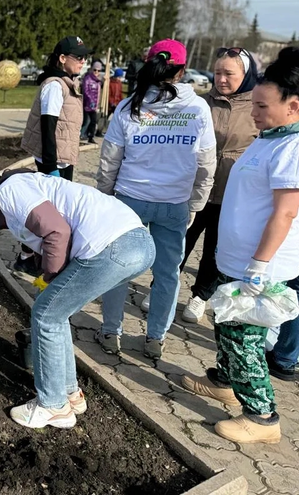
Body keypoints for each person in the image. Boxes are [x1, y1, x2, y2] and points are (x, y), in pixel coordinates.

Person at [0, 169, 154, 429]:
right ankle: (70, 394)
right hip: (137, 244)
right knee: (57, 312)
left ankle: (53, 406)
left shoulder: (8, 190)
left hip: (112, 245)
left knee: (46, 316)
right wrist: (48, 275)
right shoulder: (31, 185)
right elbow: (51, 234)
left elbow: (57, 231)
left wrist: (50, 277)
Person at [182, 47, 299, 444]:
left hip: (259, 268)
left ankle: (262, 417)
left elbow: (285, 212)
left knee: (244, 339)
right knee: (226, 324)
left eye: (262, 106)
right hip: (236, 261)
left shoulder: (292, 148)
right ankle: (224, 382)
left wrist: (258, 267)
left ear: (293, 106)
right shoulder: (270, 138)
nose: (254, 112)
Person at [95, 39, 216, 360]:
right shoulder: (198, 108)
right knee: (168, 273)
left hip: (129, 200)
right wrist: (196, 203)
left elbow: (109, 159)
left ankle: (110, 331)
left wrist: (105, 195)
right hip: (174, 203)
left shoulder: (129, 105)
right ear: (182, 70)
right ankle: (155, 338)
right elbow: (206, 163)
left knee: (118, 268)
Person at [179, 47, 259, 323]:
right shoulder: (201, 103)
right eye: (217, 73)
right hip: (195, 187)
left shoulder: (256, 106)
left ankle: (200, 296)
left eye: (229, 74)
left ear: (246, 75)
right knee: (180, 240)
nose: (221, 79)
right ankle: (163, 285)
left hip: (232, 192)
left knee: (215, 248)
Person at [17, 36, 91, 278]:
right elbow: (48, 126)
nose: (83, 61)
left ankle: (33, 256)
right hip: (53, 161)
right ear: (62, 58)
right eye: (78, 57)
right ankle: (27, 258)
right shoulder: (54, 86)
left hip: (63, 158)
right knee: (48, 214)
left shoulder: (67, 83)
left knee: (53, 213)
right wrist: (50, 168)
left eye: (85, 57)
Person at [81, 61, 102, 143]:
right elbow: (85, 91)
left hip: (94, 104)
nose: (96, 72)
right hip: (87, 103)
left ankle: (90, 136)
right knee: (86, 120)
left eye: (98, 70)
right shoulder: (88, 79)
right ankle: (81, 134)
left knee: (93, 121)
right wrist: (90, 101)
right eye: (95, 70)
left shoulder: (98, 81)